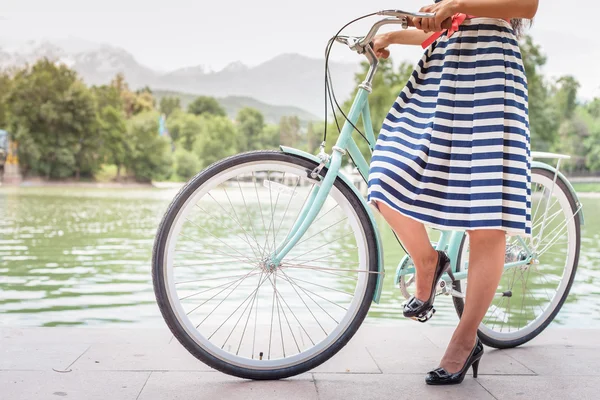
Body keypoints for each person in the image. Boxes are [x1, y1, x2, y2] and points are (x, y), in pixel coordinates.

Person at [366, 0, 539, 385]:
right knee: (384, 177)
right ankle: (428, 261)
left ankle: (465, 338)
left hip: (493, 71)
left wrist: (456, 4)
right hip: (442, 73)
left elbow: (528, 6)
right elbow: (448, 25)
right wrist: (395, 32)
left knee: (486, 216)